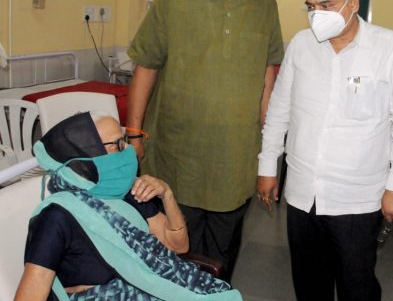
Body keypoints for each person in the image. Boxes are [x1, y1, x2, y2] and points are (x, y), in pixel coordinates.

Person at [127, 0, 284, 280]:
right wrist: (134, 134)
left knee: (220, 261)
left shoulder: (265, 4)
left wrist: (268, 153)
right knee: (172, 256)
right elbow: (146, 66)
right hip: (177, 157)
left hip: (234, 162)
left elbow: (268, 77)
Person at [257, 0, 393, 301]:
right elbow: (279, 110)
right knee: (309, 285)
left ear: (353, 3)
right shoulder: (301, 45)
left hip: (357, 199)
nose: (317, 14)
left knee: (356, 286)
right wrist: (267, 167)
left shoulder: (387, 46)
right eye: (310, 6)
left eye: (326, 5)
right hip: (303, 194)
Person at [15, 113, 241, 300]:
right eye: (118, 145)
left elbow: (178, 246)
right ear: (87, 157)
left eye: (125, 141)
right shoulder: (57, 216)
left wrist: (167, 195)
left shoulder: (126, 192)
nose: (129, 150)